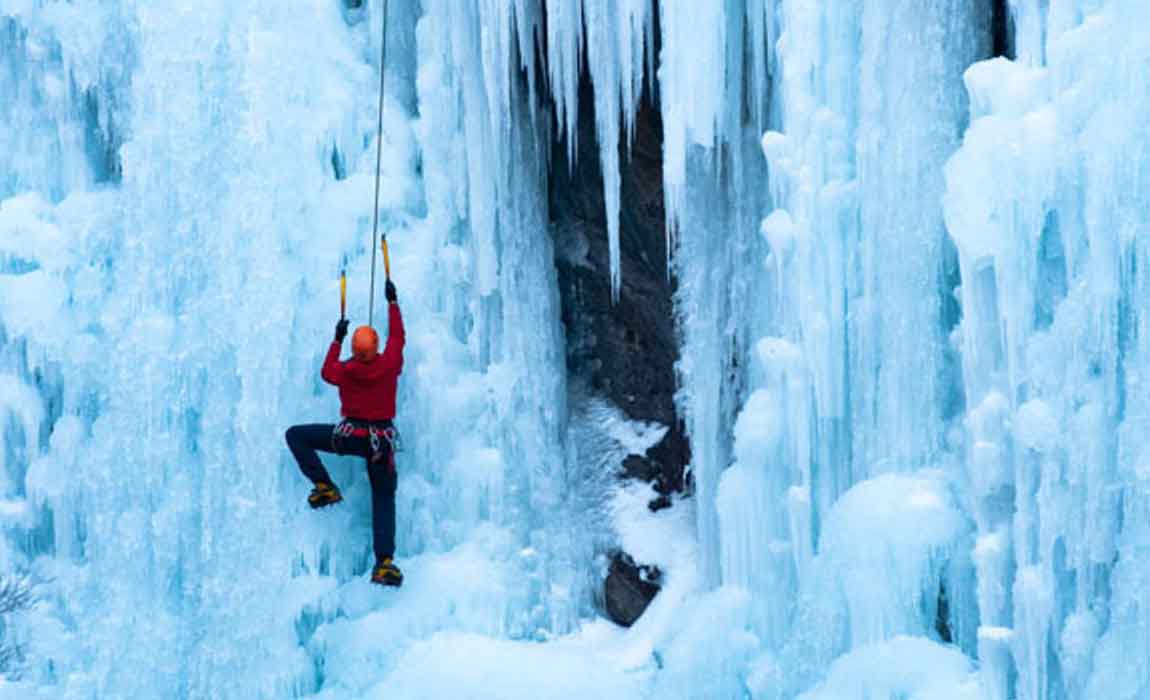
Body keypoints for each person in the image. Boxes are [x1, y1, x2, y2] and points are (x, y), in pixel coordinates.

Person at [285, 279, 405, 586]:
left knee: (296, 435)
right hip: (381, 443)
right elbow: (398, 338)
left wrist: (336, 339)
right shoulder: (389, 364)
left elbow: (327, 371)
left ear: (354, 350)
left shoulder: (346, 371)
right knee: (383, 497)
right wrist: (393, 303)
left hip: (350, 437)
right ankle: (384, 563)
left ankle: (324, 485)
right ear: (376, 348)